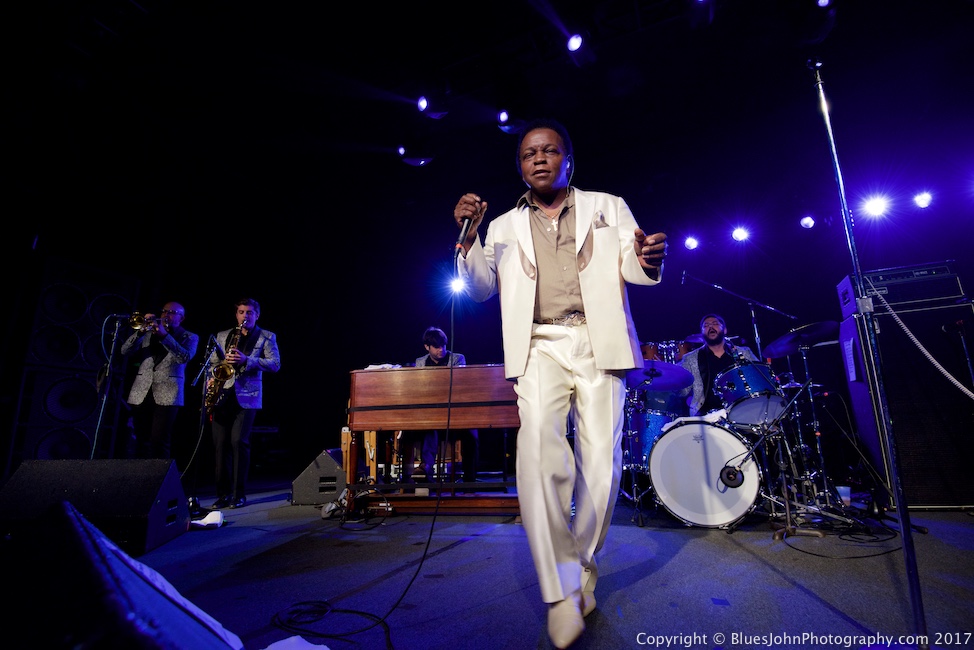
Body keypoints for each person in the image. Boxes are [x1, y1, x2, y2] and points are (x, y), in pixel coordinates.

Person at [452, 117, 667, 649]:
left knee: (600, 460)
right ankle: (561, 588)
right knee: (538, 452)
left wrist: (646, 259)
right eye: (529, 154)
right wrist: (469, 239)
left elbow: (635, 267)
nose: (539, 159)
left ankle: (582, 566)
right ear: (520, 166)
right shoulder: (501, 225)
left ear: (569, 159)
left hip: (599, 340)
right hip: (538, 344)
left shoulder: (608, 206)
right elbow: (479, 291)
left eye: (549, 151)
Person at [206, 298, 281, 509]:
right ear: (236, 314)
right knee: (220, 446)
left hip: (248, 397)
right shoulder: (222, 336)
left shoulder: (267, 336)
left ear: (257, 315)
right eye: (241, 312)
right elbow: (212, 363)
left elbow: (275, 364)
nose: (244, 316)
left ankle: (238, 494)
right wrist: (212, 377)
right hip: (222, 393)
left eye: (249, 312)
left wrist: (246, 360)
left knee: (239, 442)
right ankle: (222, 494)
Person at [399, 326, 479, 485]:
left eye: (443, 345)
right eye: (436, 346)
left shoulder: (457, 359)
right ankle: (423, 471)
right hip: (431, 415)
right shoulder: (420, 362)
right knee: (427, 428)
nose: (441, 350)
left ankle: (470, 481)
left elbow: (460, 385)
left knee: (472, 434)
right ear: (426, 347)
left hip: (455, 415)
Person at [119, 302, 199, 459]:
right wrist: (140, 332)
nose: (165, 315)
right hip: (141, 392)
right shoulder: (148, 334)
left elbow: (184, 357)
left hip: (168, 394)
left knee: (159, 441)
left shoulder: (190, 336)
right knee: (138, 439)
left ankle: (158, 479)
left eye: (171, 312)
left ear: (181, 318)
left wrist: (164, 336)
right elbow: (124, 351)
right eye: (163, 311)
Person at [678, 313, 760, 416]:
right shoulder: (690, 358)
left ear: (725, 330)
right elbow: (683, 391)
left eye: (715, 323)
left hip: (743, 410)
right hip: (706, 416)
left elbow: (759, 379)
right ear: (702, 332)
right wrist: (670, 377)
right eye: (706, 325)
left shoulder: (744, 352)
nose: (711, 327)